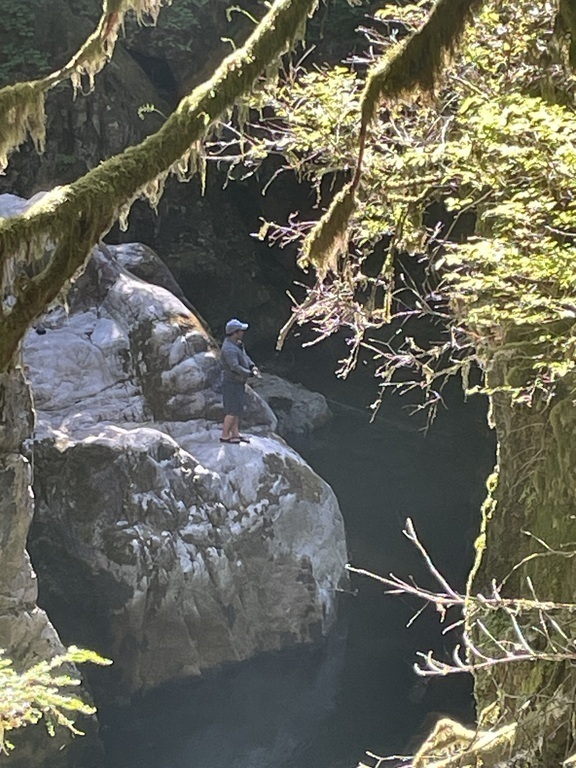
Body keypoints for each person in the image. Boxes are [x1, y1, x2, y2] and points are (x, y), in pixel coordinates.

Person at [219, 318, 260, 444]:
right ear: (235, 332)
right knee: (231, 411)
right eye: (241, 330)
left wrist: (252, 366)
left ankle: (235, 433)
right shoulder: (229, 349)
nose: (243, 332)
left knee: (236, 409)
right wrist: (250, 374)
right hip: (231, 383)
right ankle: (225, 435)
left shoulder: (237, 344)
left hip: (238, 382)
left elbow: (245, 357)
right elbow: (234, 367)